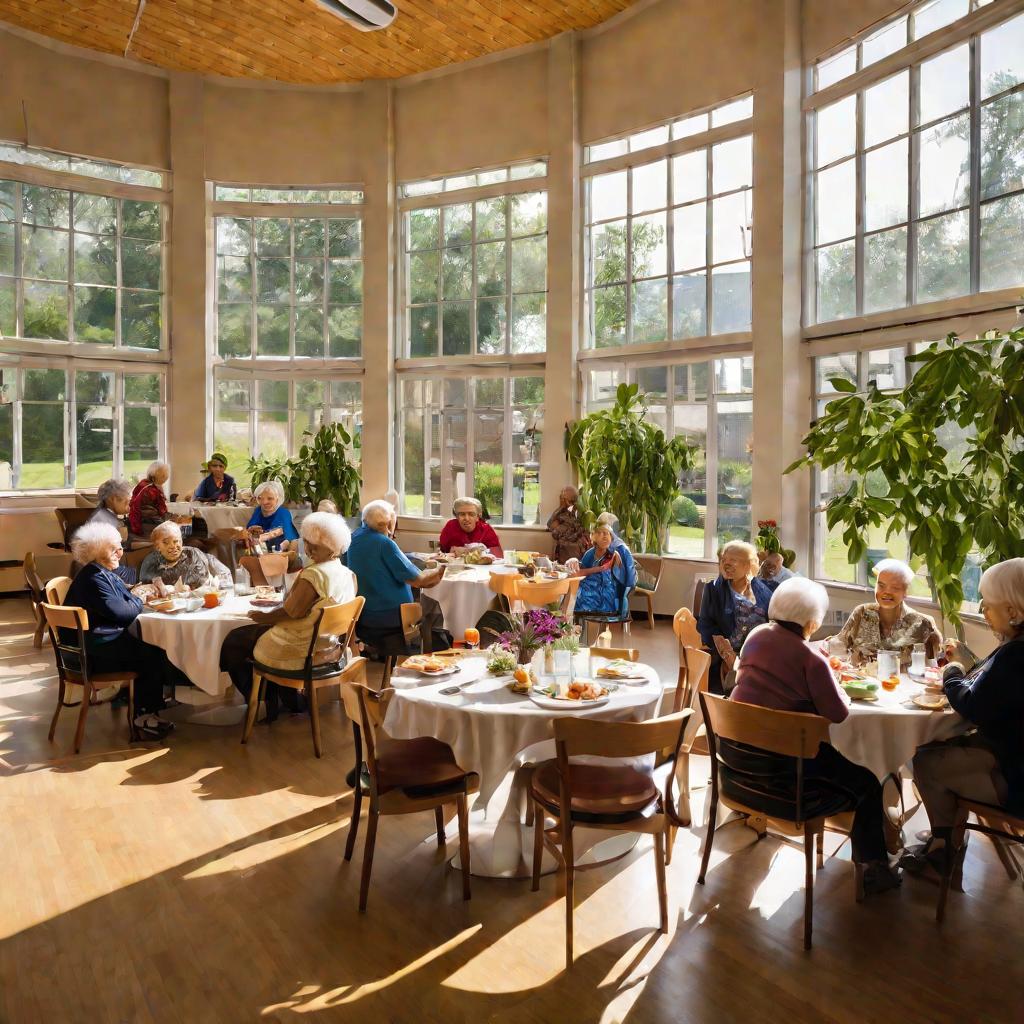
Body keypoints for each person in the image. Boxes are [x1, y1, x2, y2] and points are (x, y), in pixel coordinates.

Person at [727, 578, 901, 896]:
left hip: (736, 766)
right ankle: (874, 867)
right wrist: (837, 688)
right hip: (786, 783)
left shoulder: (755, 636)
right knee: (868, 779)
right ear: (812, 622)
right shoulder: (812, 660)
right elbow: (838, 714)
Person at [905, 558, 1024, 876]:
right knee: (941, 749)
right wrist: (968, 662)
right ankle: (945, 842)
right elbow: (994, 691)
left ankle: (943, 848)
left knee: (924, 760)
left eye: (987, 603)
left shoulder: (1015, 654)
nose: (983, 610)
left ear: (1013, 611)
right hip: (1010, 756)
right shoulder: (1013, 648)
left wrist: (953, 671)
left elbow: (973, 705)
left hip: (1013, 777)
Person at [219, 513, 356, 719]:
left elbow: (291, 612)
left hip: (299, 648)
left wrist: (259, 616)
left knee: (234, 641)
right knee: (250, 637)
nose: (307, 549)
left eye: (311, 545)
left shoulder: (314, 575)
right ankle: (288, 698)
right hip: (328, 645)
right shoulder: (346, 573)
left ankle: (263, 702)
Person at [62, 521, 175, 738]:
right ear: (96, 550)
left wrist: (134, 598)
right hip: (88, 655)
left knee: (149, 646)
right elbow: (123, 613)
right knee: (153, 651)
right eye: (114, 548)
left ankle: (149, 704)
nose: (121, 552)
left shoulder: (99, 572)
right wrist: (139, 599)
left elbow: (125, 599)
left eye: (120, 546)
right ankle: (144, 716)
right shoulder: (94, 579)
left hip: (89, 645)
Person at [348, 499, 444, 654]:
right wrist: (444, 570)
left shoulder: (353, 537)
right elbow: (420, 581)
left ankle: (375, 650)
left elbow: (378, 560)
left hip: (362, 614)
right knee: (434, 610)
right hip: (391, 616)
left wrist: (418, 557)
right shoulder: (384, 543)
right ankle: (425, 657)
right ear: (388, 523)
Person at [698, 540, 778, 694]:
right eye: (723, 560)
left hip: (758, 654)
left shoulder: (765, 589)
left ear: (748, 565)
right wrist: (727, 654)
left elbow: (773, 622)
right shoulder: (713, 590)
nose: (726, 564)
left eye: (732, 560)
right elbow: (705, 625)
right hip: (727, 656)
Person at [836, 558, 941, 669]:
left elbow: (934, 670)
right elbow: (837, 646)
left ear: (906, 592)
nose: (886, 592)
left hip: (902, 685)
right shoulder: (861, 613)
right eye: (881, 585)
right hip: (859, 684)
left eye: (895, 588)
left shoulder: (923, 624)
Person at [138, 521, 230, 589]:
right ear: (157, 547)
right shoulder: (150, 562)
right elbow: (146, 586)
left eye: (176, 541)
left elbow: (200, 581)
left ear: (181, 541)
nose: (173, 546)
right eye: (166, 542)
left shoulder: (193, 554)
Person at [570, 523, 636, 616]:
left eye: (607, 533)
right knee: (574, 591)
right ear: (594, 537)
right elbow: (581, 571)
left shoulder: (614, 554)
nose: (605, 536)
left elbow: (624, 579)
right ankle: (580, 623)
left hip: (606, 589)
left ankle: (589, 621)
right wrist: (574, 561)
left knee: (584, 595)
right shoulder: (590, 553)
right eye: (600, 533)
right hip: (589, 585)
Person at [243, 480, 299, 555]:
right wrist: (251, 529)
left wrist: (259, 538)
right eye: (260, 498)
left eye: (269, 498)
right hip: (263, 549)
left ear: (278, 499)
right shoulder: (258, 510)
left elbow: (275, 533)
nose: (264, 502)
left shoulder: (283, 513)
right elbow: (250, 527)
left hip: (281, 551)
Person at [438, 497, 503, 557]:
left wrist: (467, 551)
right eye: (462, 514)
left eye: (471, 514)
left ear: (478, 517)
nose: (466, 518)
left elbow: (497, 555)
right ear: (457, 516)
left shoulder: (486, 529)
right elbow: (442, 553)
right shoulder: (450, 527)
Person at [547, 486, 590, 563]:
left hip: (572, 550)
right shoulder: (562, 511)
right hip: (564, 549)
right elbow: (550, 524)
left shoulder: (578, 512)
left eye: (562, 497)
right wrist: (561, 507)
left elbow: (554, 528)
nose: (561, 499)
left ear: (568, 499)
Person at [128, 460, 170, 539]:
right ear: (160, 475)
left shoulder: (143, 483)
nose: (166, 478)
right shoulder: (151, 490)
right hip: (145, 525)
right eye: (164, 476)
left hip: (135, 521)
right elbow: (161, 511)